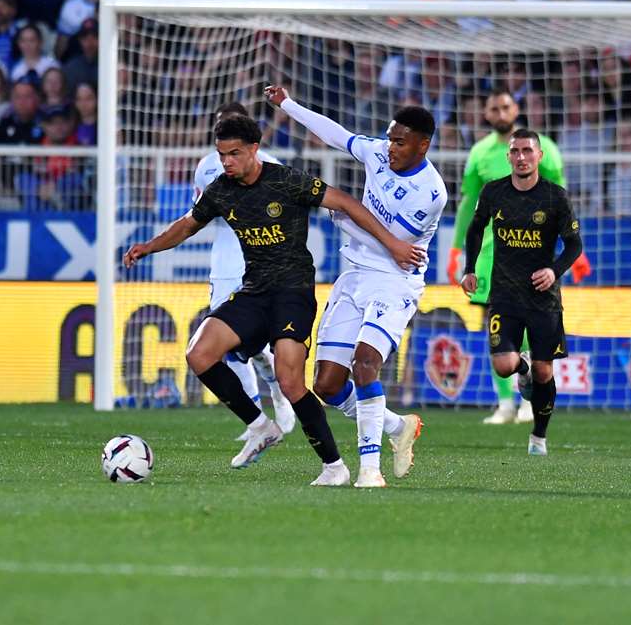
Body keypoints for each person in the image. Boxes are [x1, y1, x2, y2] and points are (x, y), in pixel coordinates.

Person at [123, 114, 425, 486]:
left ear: (254, 149)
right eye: (222, 155)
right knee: (198, 353)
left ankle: (334, 466)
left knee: (290, 382)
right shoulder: (221, 189)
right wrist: (149, 247)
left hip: (293, 294)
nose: (227, 162)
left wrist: (393, 243)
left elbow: (345, 202)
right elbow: (188, 225)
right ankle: (260, 424)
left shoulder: (285, 181)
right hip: (254, 292)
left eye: (234, 153)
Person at [266, 85, 441, 487]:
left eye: (400, 142)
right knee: (326, 385)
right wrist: (288, 104)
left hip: (395, 282)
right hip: (356, 274)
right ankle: (398, 426)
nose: (390, 147)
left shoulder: (430, 194)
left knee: (365, 363)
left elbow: (388, 242)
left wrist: (344, 216)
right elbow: (334, 133)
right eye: (390, 137)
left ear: (422, 145)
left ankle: (369, 470)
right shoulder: (378, 152)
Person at [448, 88, 590, 424]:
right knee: (495, 327)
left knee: (531, 326)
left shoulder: (546, 149)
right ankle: (505, 403)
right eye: (494, 107)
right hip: (490, 258)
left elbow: (561, 200)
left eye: (506, 106)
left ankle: (529, 400)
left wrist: (575, 253)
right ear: (486, 114)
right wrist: (456, 250)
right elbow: (470, 206)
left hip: (533, 256)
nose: (500, 112)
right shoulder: (479, 153)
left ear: (516, 110)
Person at [461, 129, 583, 456]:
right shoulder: (494, 192)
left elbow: (574, 244)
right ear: (509, 157)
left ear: (539, 156)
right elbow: (475, 229)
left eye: (528, 150)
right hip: (504, 295)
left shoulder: (555, 197)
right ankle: (522, 370)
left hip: (544, 298)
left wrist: (553, 270)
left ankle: (539, 438)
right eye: (515, 151)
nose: (521, 157)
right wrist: (469, 268)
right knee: (504, 365)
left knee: (546, 372)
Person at [192, 102, 296, 440]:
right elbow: (198, 214)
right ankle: (256, 418)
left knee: (248, 343)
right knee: (225, 347)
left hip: (261, 264)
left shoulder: (272, 166)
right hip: (224, 263)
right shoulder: (206, 168)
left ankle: (278, 389)